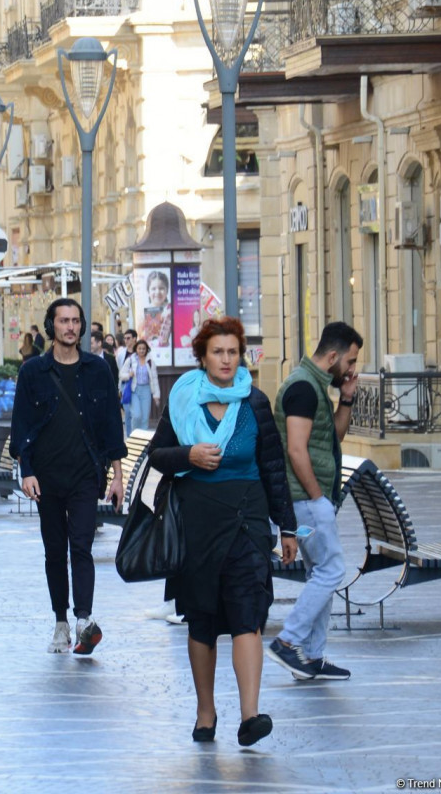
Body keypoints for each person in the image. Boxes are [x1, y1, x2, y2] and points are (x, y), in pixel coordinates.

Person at [146, 316, 297, 746]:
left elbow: (273, 467)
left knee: (248, 613)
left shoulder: (254, 402)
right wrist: (189, 455)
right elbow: (158, 456)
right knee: (202, 619)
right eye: (218, 352)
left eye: (233, 352)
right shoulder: (184, 400)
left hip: (247, 521)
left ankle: (250, 716)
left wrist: (287, 526)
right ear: (203, 356)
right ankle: (205, 710)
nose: (227, 360)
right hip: (197, 522)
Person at [10, 299, 126, 655]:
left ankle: (83, 619)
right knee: (54, 551)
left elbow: (111, 426)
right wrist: (26, 471)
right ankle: (60, 620)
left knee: (82, 546)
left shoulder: (98, 369)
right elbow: (22, 427)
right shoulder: (33, 373)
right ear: (52, 326)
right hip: (46, 477)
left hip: (85, 475)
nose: (71, 327)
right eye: (64, 321)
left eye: (76, 321)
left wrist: (118, 477)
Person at [267, 321, 363, 682]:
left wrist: (348, 398)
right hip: (305, 500)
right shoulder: (304, 389)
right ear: (334, 356)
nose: (352, 368)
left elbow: (331, 440)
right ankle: (289, 642)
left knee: (320, 571)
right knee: (331, 570)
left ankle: (311, 656)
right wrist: (318, 497)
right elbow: (296, 449)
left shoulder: (315, 386)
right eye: (350, 361)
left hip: (307, 499)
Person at [119, 339, 160, 434]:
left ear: (147, 350)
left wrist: (156, 395)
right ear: (136, 349)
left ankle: (143, 441)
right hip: (134, 390)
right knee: (136, 415)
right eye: (139, 348)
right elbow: (121, 374)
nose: (141, 350)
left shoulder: (150, 362)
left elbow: (154, 379)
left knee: (145, 417)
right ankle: (134, 436)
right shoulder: (130, 360)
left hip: (146, 390)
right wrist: (129, 374)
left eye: (143, 349)